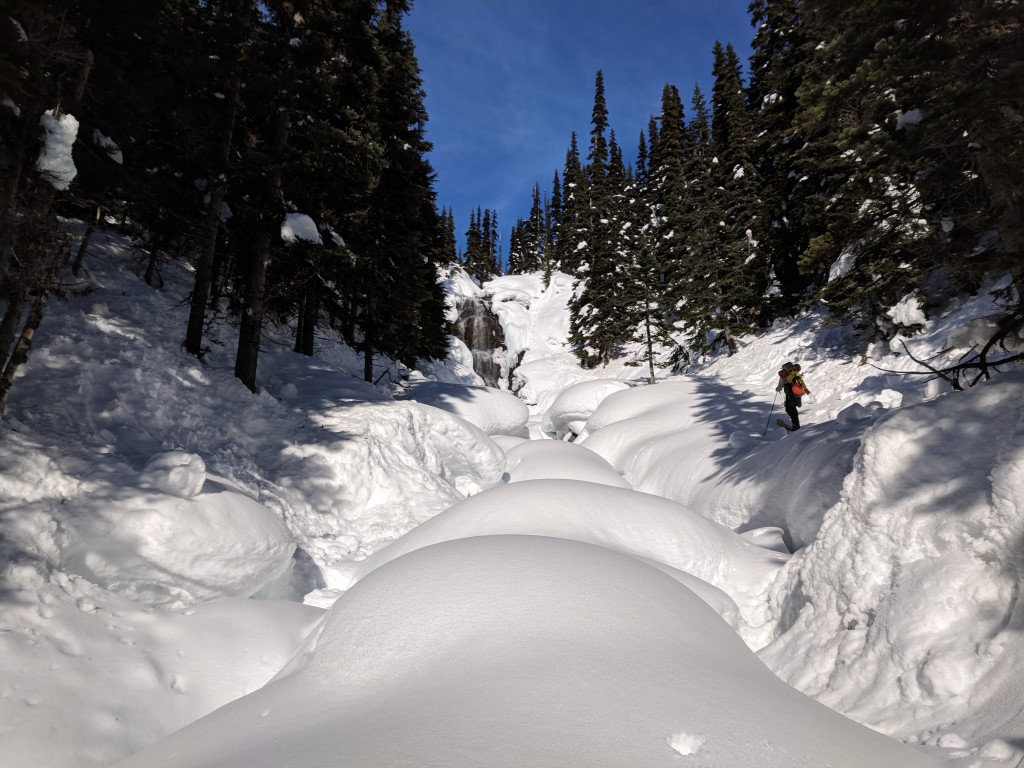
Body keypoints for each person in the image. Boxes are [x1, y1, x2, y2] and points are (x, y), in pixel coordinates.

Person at [775, 361, 810, 431]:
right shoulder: (796, 373)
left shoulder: (785, 375)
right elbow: (801, 383)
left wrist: (777, 389)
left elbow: (780, 386)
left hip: (790, 395)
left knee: (790, 409)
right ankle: (796, 423)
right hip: (797, 393)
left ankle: (796, 425)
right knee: (791, 408)